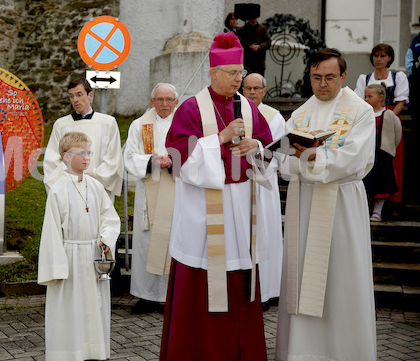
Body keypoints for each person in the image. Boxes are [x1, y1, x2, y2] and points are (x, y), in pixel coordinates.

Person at [160, 32, 273, 360]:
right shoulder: (191, 108)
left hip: (241, 211)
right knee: (203, 287)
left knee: (240, 283)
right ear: (214, 73)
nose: (240, 79)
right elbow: (178, 158)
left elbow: (268, 150)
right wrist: (218, 139)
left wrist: (257, 147)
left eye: (241, 72)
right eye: (234, 73)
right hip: (204, 214)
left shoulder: (251, 110)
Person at [274, 48, 376, 360]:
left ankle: (344, 351)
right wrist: (292, 156)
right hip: (304, 202)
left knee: (340, 275)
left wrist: (317, 155)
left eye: (330, 77)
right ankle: (302, 351)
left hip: (341, 203)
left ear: (343, 76)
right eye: (316, 77)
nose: (322, 84)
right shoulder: (301, 113)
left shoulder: (360, 111)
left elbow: (355, 156)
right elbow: (282, 159)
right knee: (302, 273)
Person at [38, 131, 120, 361]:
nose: (87, 158)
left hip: (92, 254)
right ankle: (67, 353)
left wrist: (105, 238)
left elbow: (110, 217)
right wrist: (56, 267)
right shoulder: (58, 189)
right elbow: (52, 231)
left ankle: (93, 351)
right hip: (69, 257)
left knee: (94, 308)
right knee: (69, 309)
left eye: (89, 152)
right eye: (81, 153)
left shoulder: (95, 186)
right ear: (65, 156)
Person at [123, 83, 178, 313]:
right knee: (146, 242)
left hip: (175, 190)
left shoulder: (184, 122)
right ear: (151, 101)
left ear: (176, 102)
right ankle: (146, 296)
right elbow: (128, 156)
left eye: (169, 100)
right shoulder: (139, 125)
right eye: (160, 99)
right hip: (148, 192)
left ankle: (171, 297)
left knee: (171, 241)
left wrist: (173, 160)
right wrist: (151, 162)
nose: (164, 104)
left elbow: (194, 150)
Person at [242, 73, 285, 307]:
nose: (251, 92)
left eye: (256, 88)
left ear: (264, 91)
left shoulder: (274, 117)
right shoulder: (236, 113)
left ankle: (267, 289)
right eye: (247, 87)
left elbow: (280, 151)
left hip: (264, 183)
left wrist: (260, 159)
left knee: (265, 233)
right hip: (238, 182)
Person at [43, 77, 123, 200]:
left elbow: (113, 157)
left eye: (79, 95)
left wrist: (96, 176)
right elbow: (52, 160)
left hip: (98, 185)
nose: (75, 100)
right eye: (71, 96)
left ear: (90, 95)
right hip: (69, 188)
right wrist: (70, 178)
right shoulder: (61, 125)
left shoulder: (108, 123)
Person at [354, 43, 408, 211]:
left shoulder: (398, 76)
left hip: (389, 122)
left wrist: (387, 116)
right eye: (376, 56)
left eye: (383, 56)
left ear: (390, 58)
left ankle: (393, 203)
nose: (379, 59)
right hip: (369, 120)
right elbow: (358, 102)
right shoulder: (365, 78)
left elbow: (401, 102)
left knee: (391, 162)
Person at [362, 84, 402, 222]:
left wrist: (388, 148)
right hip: (367, 155)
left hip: (382, 156)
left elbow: (397, 133)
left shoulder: (388, 114)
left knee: (381, 184)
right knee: (367, 182)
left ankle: (377, 212)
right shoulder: (364, 115)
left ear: (380, 97)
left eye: (369, 96)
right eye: (365, 96)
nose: (366, 99)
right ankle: (365, 211)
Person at [236, 4, 271, 75]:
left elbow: (268, 42)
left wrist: (259, 46)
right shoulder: (242, 29)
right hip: (247, 62)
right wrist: (248, 46)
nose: (253, 20)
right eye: (251, 18)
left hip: (259, 62)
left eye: (254, 18)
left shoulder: (263, 29)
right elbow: (239, 43)